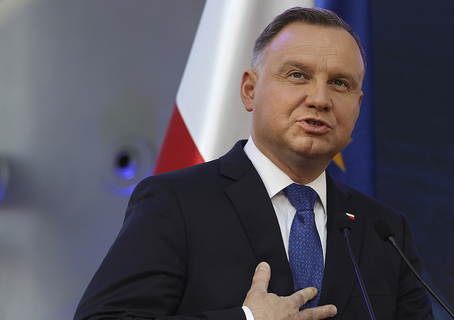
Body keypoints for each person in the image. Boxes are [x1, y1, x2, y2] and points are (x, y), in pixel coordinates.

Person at [74, 7, 433, 320]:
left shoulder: (385, 231)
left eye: (340, 83)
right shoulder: (176, 202)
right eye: (298, 75)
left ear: (357, 105)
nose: (320, 99)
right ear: (249, 89)